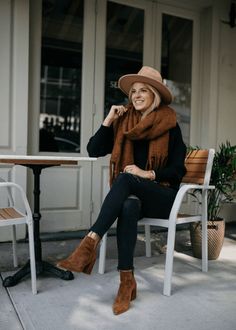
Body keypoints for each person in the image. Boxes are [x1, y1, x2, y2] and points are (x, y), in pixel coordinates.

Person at [57, 66, 187, 315]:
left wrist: (146, 173)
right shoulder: (124, 122)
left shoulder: (170, 125)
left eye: (143, 91)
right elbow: (94, 150)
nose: (136, 95)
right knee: (128, 205)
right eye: (134, 91)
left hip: (164, 195)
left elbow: (177, 170)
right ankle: (126, 283)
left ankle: (89, 244)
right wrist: (108, 120)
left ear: (154, 95)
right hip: (136, 196)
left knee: (127, 178)